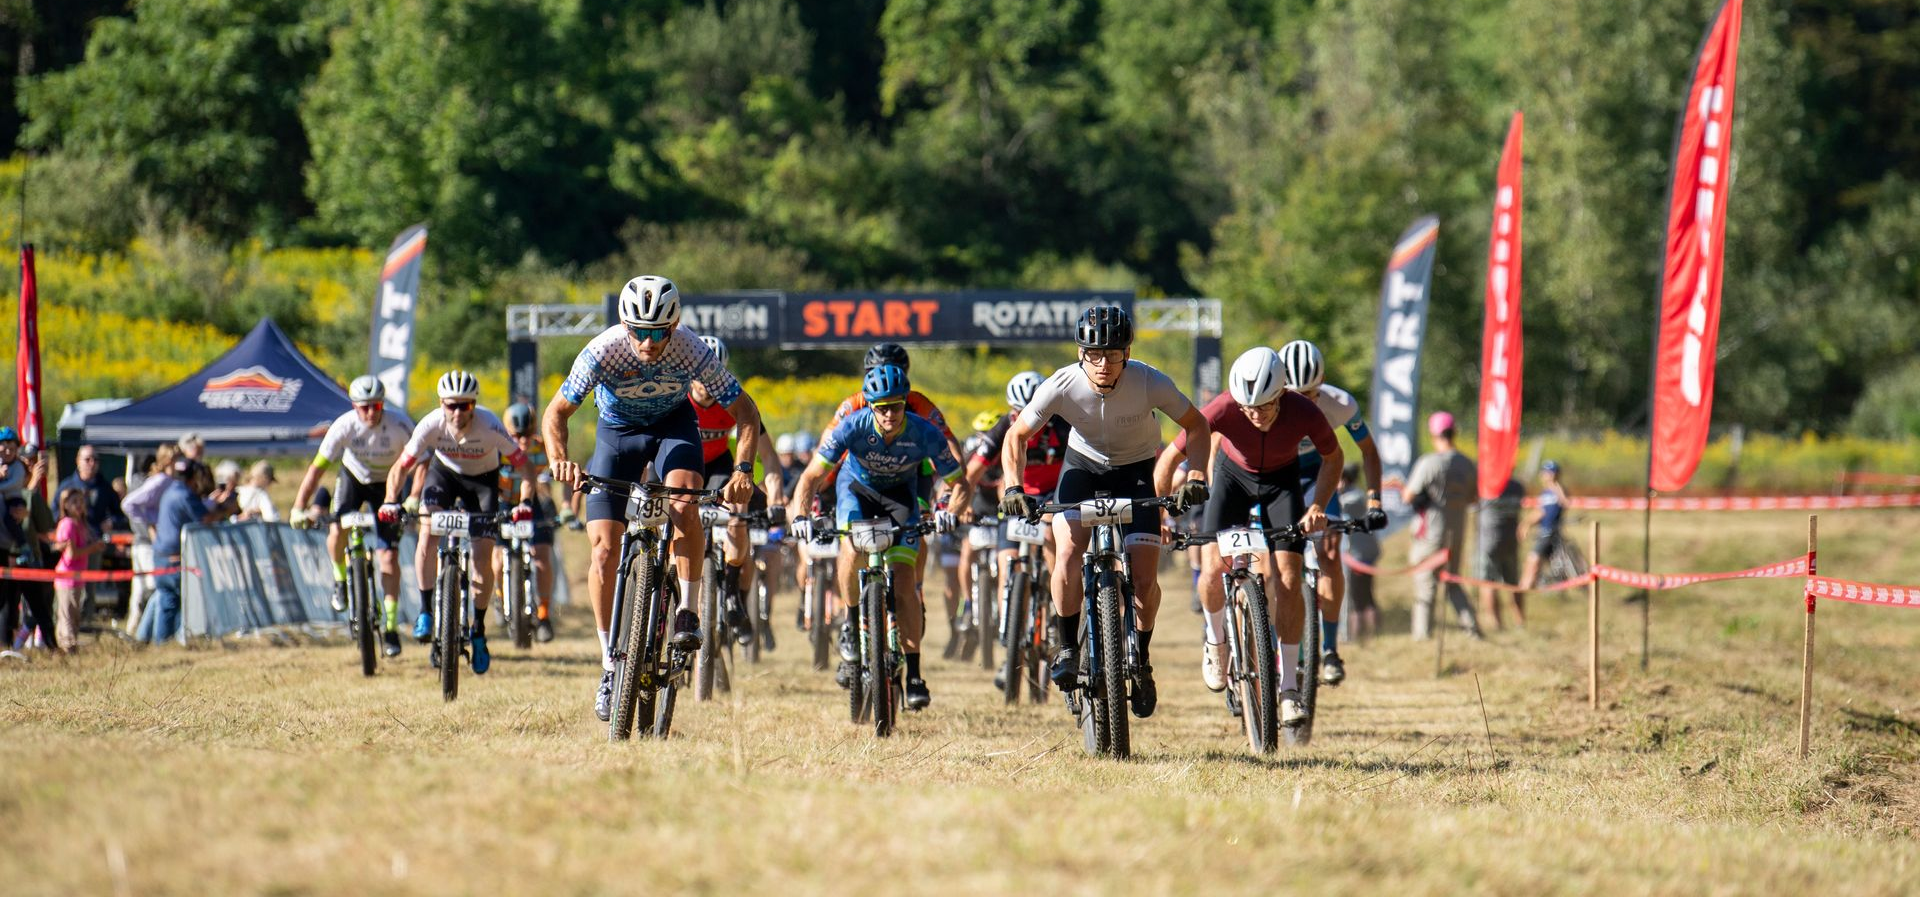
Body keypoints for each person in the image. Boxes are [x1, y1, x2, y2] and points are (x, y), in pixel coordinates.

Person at [542, 275, 762, 722]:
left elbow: (746, 412)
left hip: (673, 429)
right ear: (624, 325)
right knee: (603, 551)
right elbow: (556, 413)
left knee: (683, 504)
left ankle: (686, 611)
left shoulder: (691, 348)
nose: (647, 341)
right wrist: (560, 459)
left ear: (674, 325)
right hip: (616, 435)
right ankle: (609, 665)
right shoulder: (603, 349)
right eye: (638, 331)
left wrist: (742, 470)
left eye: (658, 331)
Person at [998, 305, 1212, 720]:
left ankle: (1142, 660)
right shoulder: (1062, 383)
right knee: (1067, 552)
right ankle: (1066, 646)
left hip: (1135, 472)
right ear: (1081, 353)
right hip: (1082, 468)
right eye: (1093, 354)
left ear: (1127, 353)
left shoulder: (1149, 381)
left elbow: (1198, 425)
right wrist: (1012, 486)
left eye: (1112, 354)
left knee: (1146, 580)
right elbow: (1017, 434)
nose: (1102, 363)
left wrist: (1197, 475)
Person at [1154, 347, 1342, 726]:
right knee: (1211, 569)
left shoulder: (1304, 410)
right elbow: (1168, 460)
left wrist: (1318, 505)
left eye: (1265, 407)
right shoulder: (1223, 408)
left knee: (1289, 578)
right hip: (1232, 478)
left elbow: (1333, 458)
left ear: (1281, 395)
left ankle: (1288, 687)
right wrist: (1160, 514)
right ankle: (1215, 641)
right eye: (1247, 408)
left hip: (1281, 484)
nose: (1255, 415)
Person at [785, 363, 970, 710]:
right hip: (857, 492)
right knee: (852, 548)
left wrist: (950, 512)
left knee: (904, 584)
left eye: (896, 406)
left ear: (906, 403)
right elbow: (810, 477)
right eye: (881, 407)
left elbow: (961, 482)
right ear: (869, 405)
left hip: (902, 496)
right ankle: (852, 623)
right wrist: (799, 515)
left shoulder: (924, 431)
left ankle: (914, 673)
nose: (889, 414)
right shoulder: (850, 427)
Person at [380, 370, 537, 676]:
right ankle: (426, 611)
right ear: (441, 404)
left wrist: (526, 503)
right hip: (445, 476)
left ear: (473, 406)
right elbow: (401, 467)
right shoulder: (431, 424)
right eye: (450, 405)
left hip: (483, 483)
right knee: (427, 532)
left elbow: (527, 468)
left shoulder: (490, 425)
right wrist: (390, 500)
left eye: (464, 406)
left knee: (482, 557)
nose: (456, 412)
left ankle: (478, 630)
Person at [816, 343, 962, 636]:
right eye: (875, 372)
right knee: (850, 537)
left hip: (911, 468)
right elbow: (826, 451)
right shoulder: (854, 403)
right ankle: (852, 616)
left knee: (919, 518)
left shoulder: (919, 404)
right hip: (860, 472)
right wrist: (820, 494)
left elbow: (951, 450)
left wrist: (949, 497)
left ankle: (913, 587)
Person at [1274, 339, 1388, 686]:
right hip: (1276, 476)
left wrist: (1374, 501)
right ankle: (1281, 645)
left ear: (1321, 386)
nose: (1302, 402)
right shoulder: (1268, 400)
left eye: (1310, 394)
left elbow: (1368, 451)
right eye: (1294, 394)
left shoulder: (1340, 404)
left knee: (1329, 550)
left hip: (1318, 475)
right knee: (1272, 565)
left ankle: (1329, 648)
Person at [292, 375, 415, 657]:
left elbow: (421, 463)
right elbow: (316, 470)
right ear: (354, 406)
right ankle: (339, 579)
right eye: (364, 407)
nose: (371, 412)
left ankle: (392, 626)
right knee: (337, 530)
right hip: (354, 479)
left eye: (376, 406)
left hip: (388, 483)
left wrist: (412, 498)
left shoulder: (400, 424)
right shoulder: (344, 426)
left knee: (389, 556)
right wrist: (299, 506)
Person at [688, 335, 785, 647]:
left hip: (719, 465)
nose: (705, 382)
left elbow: (769, 457)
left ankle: (731, 591)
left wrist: (778, 498)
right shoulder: (676, 398)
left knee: (738, 507)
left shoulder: (734, 401)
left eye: (712, 373)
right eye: (699, 374)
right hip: (685, 463)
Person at [1402, 411, 1479, 640]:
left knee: (1425, 582)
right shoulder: (1467, 463)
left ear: (1434, 434)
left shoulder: (1429, 463)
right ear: (1454, 432)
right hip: (1457, 529)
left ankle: (1422, 635)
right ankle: (1472, 629)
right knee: (1453, 581)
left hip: (1431, 532)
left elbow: (1408, 495)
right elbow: (1474, 498)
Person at [143, 458, 238, 643]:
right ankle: (176, 641)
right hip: (174, 558)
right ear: (193, 476)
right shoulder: (185, 494)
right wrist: (226, 509)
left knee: (166, 601)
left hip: (161, 556)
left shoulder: (171, 491)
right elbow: (205, 519)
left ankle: (159, 644)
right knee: (182, 601)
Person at [496, 401, 562, 643]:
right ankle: (501, 596)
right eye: (515, 436)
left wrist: (565, 508)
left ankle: (544, 615)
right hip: (504, 502)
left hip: (534, 504)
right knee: (496, 554)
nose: (522, 442)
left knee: (542, 554)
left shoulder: (543, 448)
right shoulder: (498, 449)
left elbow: (563, 476)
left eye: (526, 435)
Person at [121, 446, 178, 634]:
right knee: (151, 589)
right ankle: (141, 632)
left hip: (151, 543)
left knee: (147, 590)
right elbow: (129, 503)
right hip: (147, 544)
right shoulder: (158, 482)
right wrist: (150, 524)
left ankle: (139, 631)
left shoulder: (168, 481)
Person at [52, 487, 106, 653]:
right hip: (67, 578)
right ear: (65, 505)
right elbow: (72, 554)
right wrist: (93, 548)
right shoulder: (68, 524)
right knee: (67, 615)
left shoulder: (81, 524)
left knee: (74, 615)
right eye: (74, 502)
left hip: (77, 578)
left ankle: (71, 645)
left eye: (81, 501)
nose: (79, 505)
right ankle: (67, 647)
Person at [1336, 465, 1380, 644]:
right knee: (1364, 595)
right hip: (1362, 553)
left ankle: (1359, 636)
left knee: (1358, 597)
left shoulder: (1352, 498)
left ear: (1345, 480)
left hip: (1359, 554)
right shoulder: (1358, 495)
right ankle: (1370, 634)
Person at [1476, 474, 1527, 629]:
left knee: (1487, 583)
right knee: (1513, 583)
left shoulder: (1485, 485)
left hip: (1488, 542)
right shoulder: (1517, 486)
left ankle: (1496, 623)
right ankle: (1520, 622)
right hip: (1510, 541)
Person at [1518, 460, 1571, 592]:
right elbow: (1540, 512)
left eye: (1550, 473)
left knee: (1533, 559)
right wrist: (1526, 524)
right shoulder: (1544, 493)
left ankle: (1525, 586)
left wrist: (1556, 487)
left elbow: (1566, 503)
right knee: (1539, 561)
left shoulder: (1559, 490)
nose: (1547, 476)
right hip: (1543, 530)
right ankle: (1530, 585)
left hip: (1550, 532)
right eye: (1545, 473)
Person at [58, 445, 130, 534]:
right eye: (87, 460)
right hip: (74, 539)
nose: (92, 463)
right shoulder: (66, 486)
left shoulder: (105, 488)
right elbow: (55, 514)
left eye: (95, 460)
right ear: (78, 461)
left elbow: (119, 515)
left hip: (97, 540)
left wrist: (112, 522)